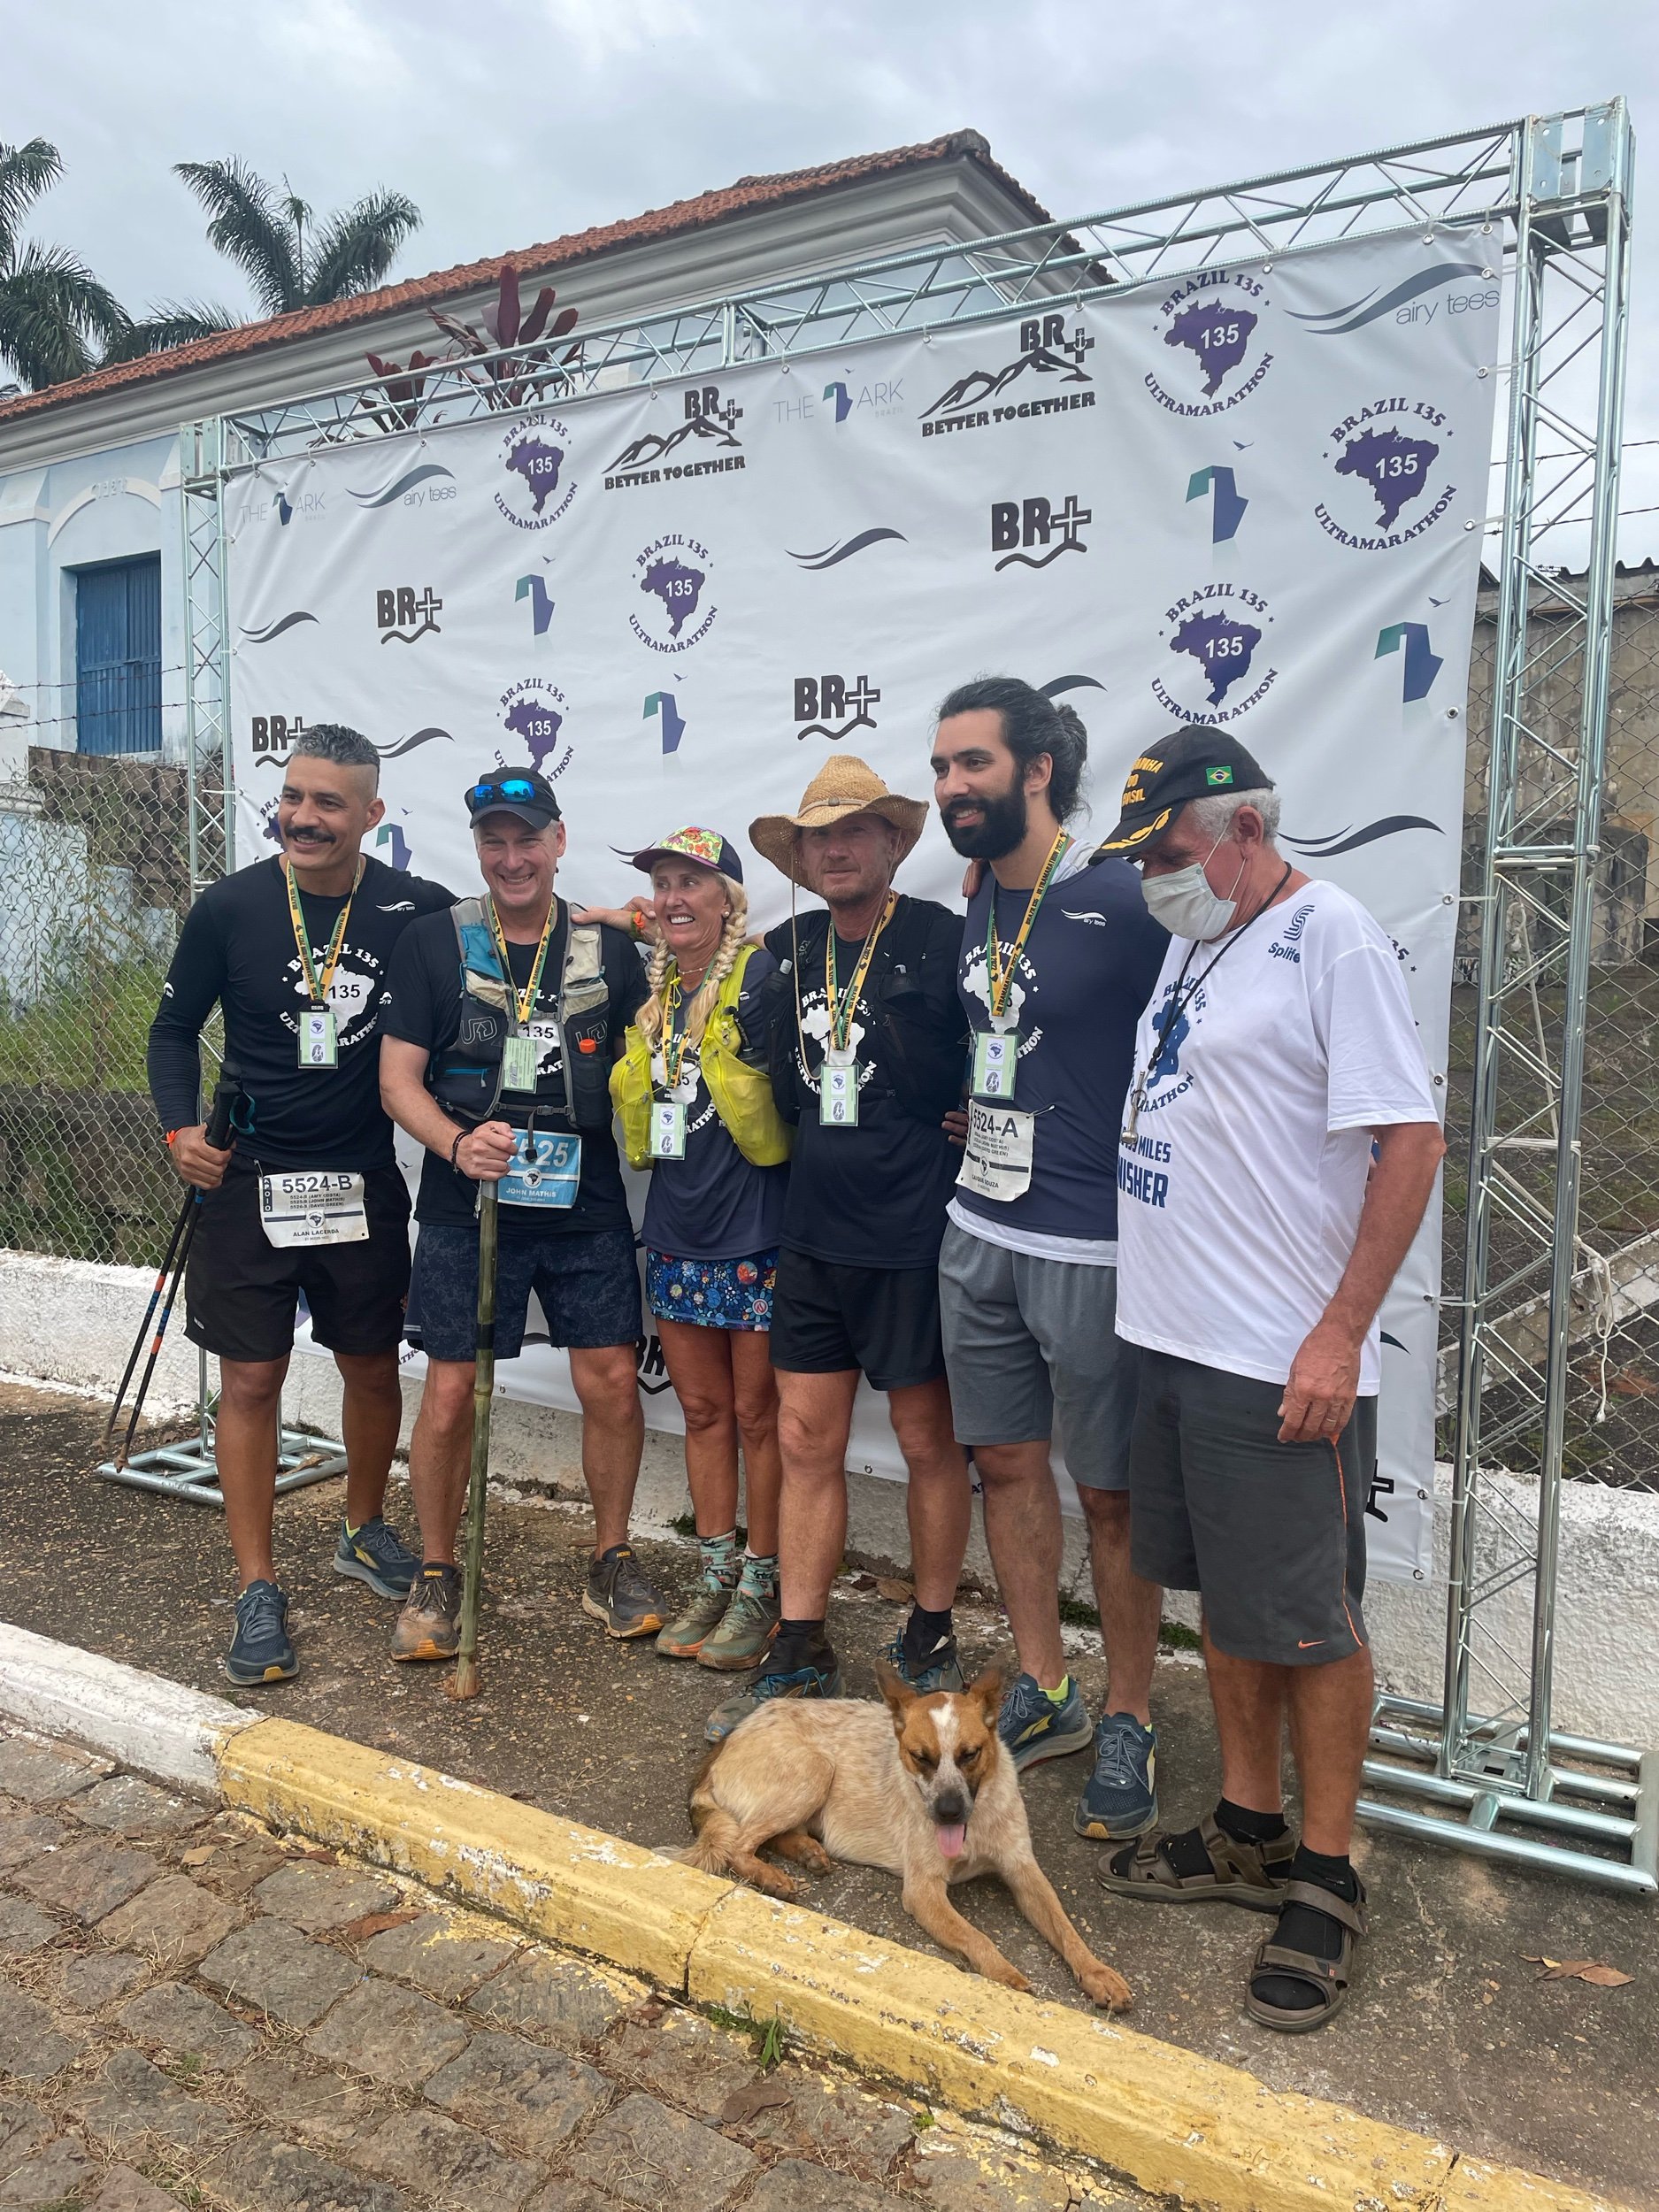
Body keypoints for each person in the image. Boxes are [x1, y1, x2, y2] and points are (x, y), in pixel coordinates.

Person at [1094, 727, 1444, 2032]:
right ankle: (1247, 1826)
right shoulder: (1201, 937)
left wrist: (1340, 1333)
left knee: (1306, 1621)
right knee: (1229, 1606)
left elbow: (1410, 1140)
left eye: (1168, 850)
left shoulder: (1329, 934)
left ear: (1244, 826)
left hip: (1274, 1355)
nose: (1154, 877)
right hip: (1171, 1338)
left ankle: (1328, 1871)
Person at [145, 724, 454, 1686]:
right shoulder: (230, 906)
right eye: (292, 796)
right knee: (250, 1382)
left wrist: (615, 917)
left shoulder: (415, 910)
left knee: (371, 1367)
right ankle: (257, 1584)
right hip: (249, 1181)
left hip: (359, 1180)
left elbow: (515, 933)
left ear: (372, 813)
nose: (303, 817)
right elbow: (171, 1029)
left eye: (328, 802)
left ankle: (362, 1527)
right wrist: (179, 1131)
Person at [929, 679, 1169, 1839]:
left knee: (1111, 1493)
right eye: (940, 768)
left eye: (971, 764)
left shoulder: (1124, 899)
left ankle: (1129, 1712)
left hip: (1091, 1243)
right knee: (1007, 1467)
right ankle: (1046, 1685)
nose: (950, 788)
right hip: (977, 1229)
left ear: (1036, 770)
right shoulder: (980, 892)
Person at [703, 758, 972, 1742]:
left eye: (856, 830)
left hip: (913, 1236)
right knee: (806, 1440)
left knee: (926, 1442)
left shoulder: (942, 938)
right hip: (810, 1235)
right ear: (803, 858)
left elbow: (1010, 1039)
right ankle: (801, 1641)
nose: (837, 849)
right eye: (820, 837)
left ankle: (931, 1628)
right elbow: (689, 951)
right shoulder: (787, 947)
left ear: (894, 842)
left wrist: (981, 1112)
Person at [378, 768, 663, 1661]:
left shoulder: (605, 949)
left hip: (585, 1196)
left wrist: (647, 926)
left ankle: (610, 1558)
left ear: (558, 841)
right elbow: (397, 1081)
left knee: (611, 1380)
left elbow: (677, 1008)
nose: (512, 858)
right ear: (477, 847)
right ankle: (436, 1572)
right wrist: (457, 1144)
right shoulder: (435, 941)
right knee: (450, 1392)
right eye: (494, 841)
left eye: (527, 839)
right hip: (469, 1197)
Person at [586, 827, 793, 1672]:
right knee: (703, 1414)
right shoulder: (657, 994)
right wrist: (626, 919)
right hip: (676, 1236)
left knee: (759, 1417)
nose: (673, 897)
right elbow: (658, 930)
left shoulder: (762, 977)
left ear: (727, 899)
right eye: (663, 883)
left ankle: (763, 1584)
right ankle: (716, 1575)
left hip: (757, 1235)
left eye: (691, 883)